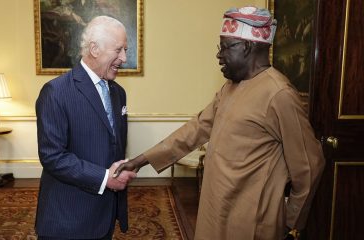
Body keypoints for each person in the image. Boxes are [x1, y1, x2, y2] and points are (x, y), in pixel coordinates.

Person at [114, 6, 325, 240]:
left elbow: (309, 164)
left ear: (246, 47)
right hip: (215, 208)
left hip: (251, 219)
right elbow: (196, 129)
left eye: (225, 47)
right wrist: (140, 160)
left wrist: (291, 223)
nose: (218, 55)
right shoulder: (230, 88)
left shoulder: (279, 94)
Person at [35, 16, 136, 239]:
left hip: (105, 215)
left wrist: (123, 168)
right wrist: (104, 178)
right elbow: (52, 156)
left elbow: (114, 144)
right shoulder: (56, 92)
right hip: (68, 219)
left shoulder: (119, 93)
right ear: (94, 49)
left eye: (125, 50)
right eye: (119, 50)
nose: (124, 58)